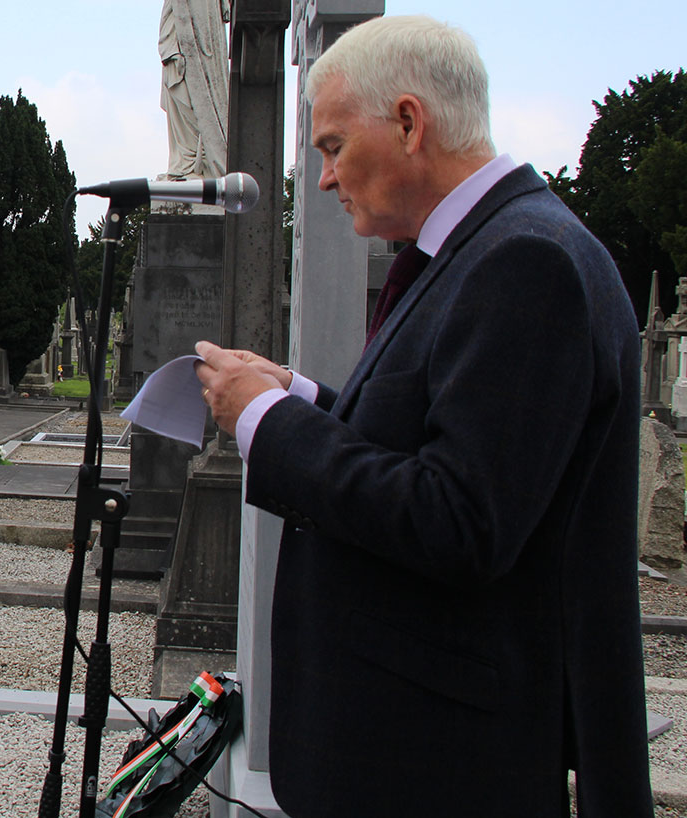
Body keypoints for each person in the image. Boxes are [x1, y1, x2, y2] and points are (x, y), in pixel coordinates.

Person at [192, 16, 650, 816]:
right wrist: (302, 397)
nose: (325, 178)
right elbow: (444, 443)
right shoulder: (488, 248)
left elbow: (461, 517)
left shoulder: (523, 261)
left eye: (333, 145)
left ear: (409, 122)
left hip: (440, 763)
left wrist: (266, 421)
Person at [159, 0, 230, 180]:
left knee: (200, 92)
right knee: (179, 91)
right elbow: (169, 15)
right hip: (179, 39)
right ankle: (186, 162)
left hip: (202, 24)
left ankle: (200, 162)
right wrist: (170, 48)